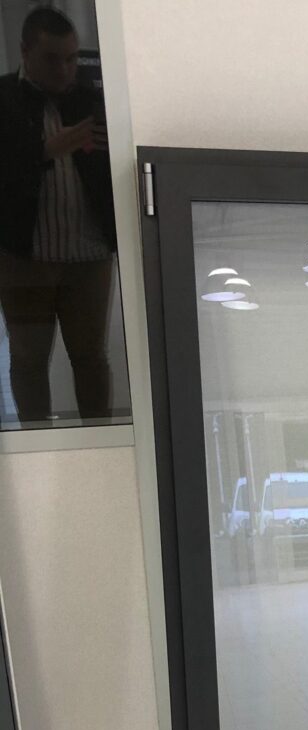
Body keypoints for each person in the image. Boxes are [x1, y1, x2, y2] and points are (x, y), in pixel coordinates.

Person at [0, 6, 116, 425]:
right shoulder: (2, 99)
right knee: (28, 358)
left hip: (90, 255)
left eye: (71, 58)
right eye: (52, 59)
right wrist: (45, 151)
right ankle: (37, 443)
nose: (65, 69)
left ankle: (100, 440)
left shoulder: (95, 99)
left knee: (91, 357)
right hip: (23, 256)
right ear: (24, 51)